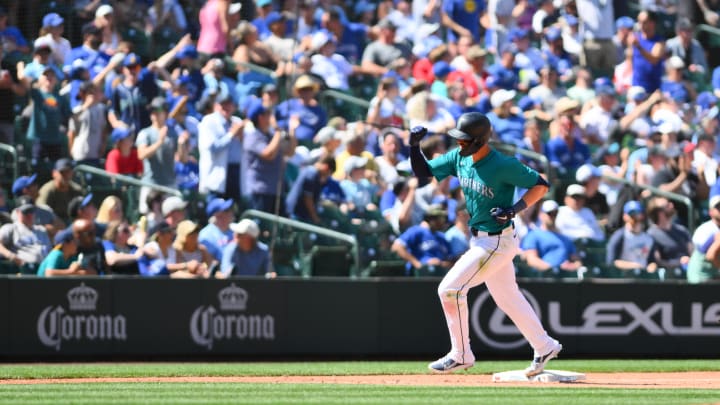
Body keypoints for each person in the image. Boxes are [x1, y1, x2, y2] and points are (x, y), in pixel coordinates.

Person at [409, 112, 562, 375]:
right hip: (480, 239)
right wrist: (413, 146)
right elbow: (423, 172)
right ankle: (544, 345)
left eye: (464, 140)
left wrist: (514, 209)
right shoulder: (460, 157)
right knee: (508, 297)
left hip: (497, 242)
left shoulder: (502, 164)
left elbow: (541, 184)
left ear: (480, 141)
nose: (459, 144)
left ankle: (461, 354)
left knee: (449, 290)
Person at [521, 199, 584, 275]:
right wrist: (552, 268)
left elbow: (577, 261)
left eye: (555, 213)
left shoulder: (565, 238)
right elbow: (531, 259)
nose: (552, 216)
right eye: (549, 213)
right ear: (541, 214)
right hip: (544, 279)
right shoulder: (533, 235)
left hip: (565, 279)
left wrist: (572, 267)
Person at [391, 204, 454, 276]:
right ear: (431, 219)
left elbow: (450, 260)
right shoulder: (416, 231)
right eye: (441, 219)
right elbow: (397, 247)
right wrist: (418, 264)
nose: (443, 222)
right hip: (419, 276)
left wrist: (441, 264)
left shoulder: (442, 237)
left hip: (440, 275)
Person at [606, 200, 658, 275]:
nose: (635, 217)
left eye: (638, 213)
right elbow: (611, 261)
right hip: (624, 278)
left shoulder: (648, 238)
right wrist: (634, 266)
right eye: (632, 214)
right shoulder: (620, 236)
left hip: (644, 278)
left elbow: (651, 261)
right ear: (625, 216)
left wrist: (652, 266)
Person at [0, 199, 51, 272]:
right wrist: (12, 256)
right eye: (26, 212)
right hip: (24, 270)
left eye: (31, 212)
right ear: (17, 212)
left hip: (45, 268)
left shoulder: (41, 229)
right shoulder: (12, 228)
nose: (29, 215)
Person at [36, 158, 84, 223]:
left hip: (72, 223)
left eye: (68, 172)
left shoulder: (77, 189)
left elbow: (83, 210)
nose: (65, 175)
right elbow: (41, 212)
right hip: (53, 224)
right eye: (62, 172)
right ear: (54, 173)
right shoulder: (48, 190)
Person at [199, 197, 235, 262]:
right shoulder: (206, 236)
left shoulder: (234, 230)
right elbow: (211, 264)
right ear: (217, 216)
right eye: (226, 210)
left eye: (230, 209)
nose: (231, 212)